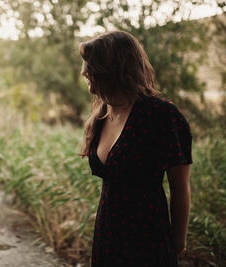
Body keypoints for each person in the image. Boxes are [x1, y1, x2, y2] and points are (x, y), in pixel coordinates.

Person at [79, 31, 192, 266]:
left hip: (147, 236)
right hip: (108, 232)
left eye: (90, 65)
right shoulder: (102, 114)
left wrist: (177, 242)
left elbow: (179, 186)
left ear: (112, 68)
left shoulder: (161, 115)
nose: (83, 71)